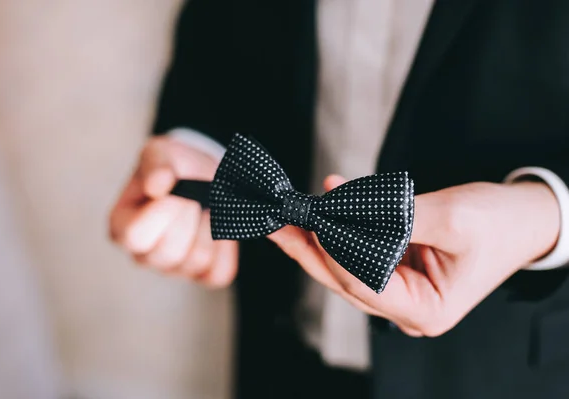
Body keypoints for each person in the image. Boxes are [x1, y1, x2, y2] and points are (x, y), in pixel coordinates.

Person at [109, 1, 569, 398]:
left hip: (509, 368)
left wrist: (544, 215)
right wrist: (196, 155)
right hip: (279, 347)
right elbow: (218, 42)